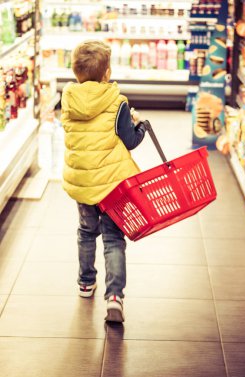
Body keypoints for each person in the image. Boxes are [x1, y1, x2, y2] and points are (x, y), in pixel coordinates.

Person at [61, 40, 146, 323]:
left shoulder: (69, 98)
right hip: (111, 185)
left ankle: (85, 283)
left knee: (86, 232)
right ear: (107, 73)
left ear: (76, 73)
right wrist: (140, 126)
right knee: (112, 238)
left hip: (82, 182)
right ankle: (114, 297)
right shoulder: (116, 101)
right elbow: (130, 141)